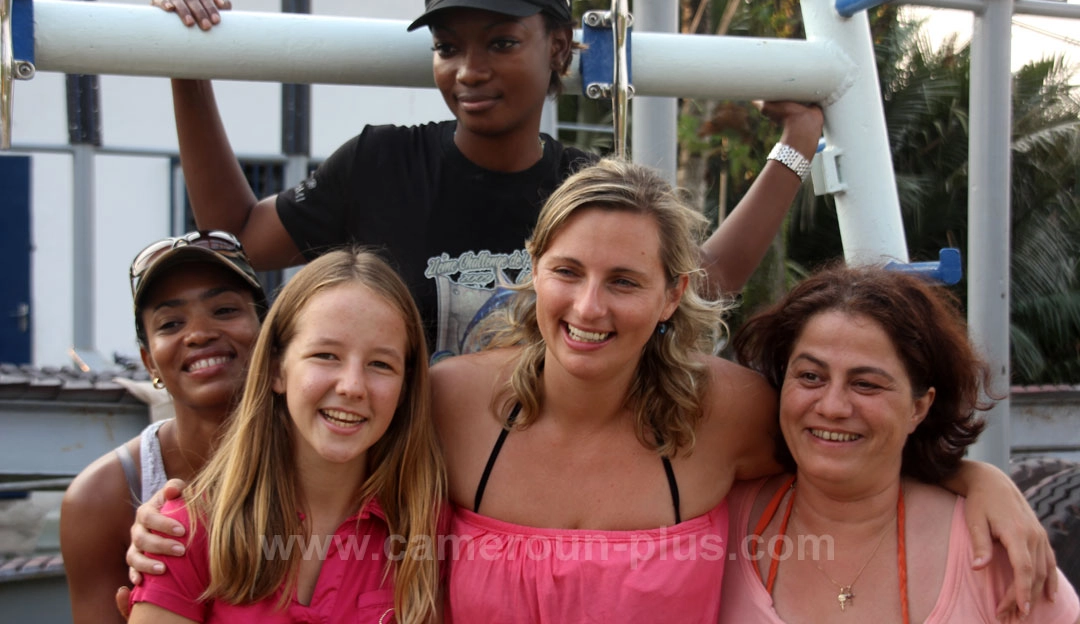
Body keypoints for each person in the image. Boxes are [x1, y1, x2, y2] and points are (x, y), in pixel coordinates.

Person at [128, 160, 1055, 620]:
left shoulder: (727, 410)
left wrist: (983, 484)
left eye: (624, 281)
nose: (589, 306)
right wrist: (171, 513)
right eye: (568, 271)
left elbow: (852, 440)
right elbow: (313, 430)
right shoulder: (450, 401)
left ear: (672, 296)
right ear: (533, 272)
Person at [150, 0, 826, 361]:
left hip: (527, 503)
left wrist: (797, 143)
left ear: (559, 47)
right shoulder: (382, 163)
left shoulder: (588, 192)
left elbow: (699, 281)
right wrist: (186, 69)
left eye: (501, 43)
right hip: (396, 494)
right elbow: (235, 233)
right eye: (448, 47)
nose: (469, 70)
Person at [721, 265, 1080, 624]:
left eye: (866, 384)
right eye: (811, 377)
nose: (832, 407)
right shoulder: (720, 522)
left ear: (919, 407)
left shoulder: (992, 553)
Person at [127, 248, 446, 624]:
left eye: (381, 364)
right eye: (326, 355)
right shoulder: (182, 531)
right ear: (277, 369)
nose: (353, 386)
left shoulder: (430, 530)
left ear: (406, 387)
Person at [60, 231, 267, 624]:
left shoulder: (328, 459)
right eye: (171, 323)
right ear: (149, 361)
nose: (200, 333)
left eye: (224, 310)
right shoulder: (100, 500)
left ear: (269, 332)